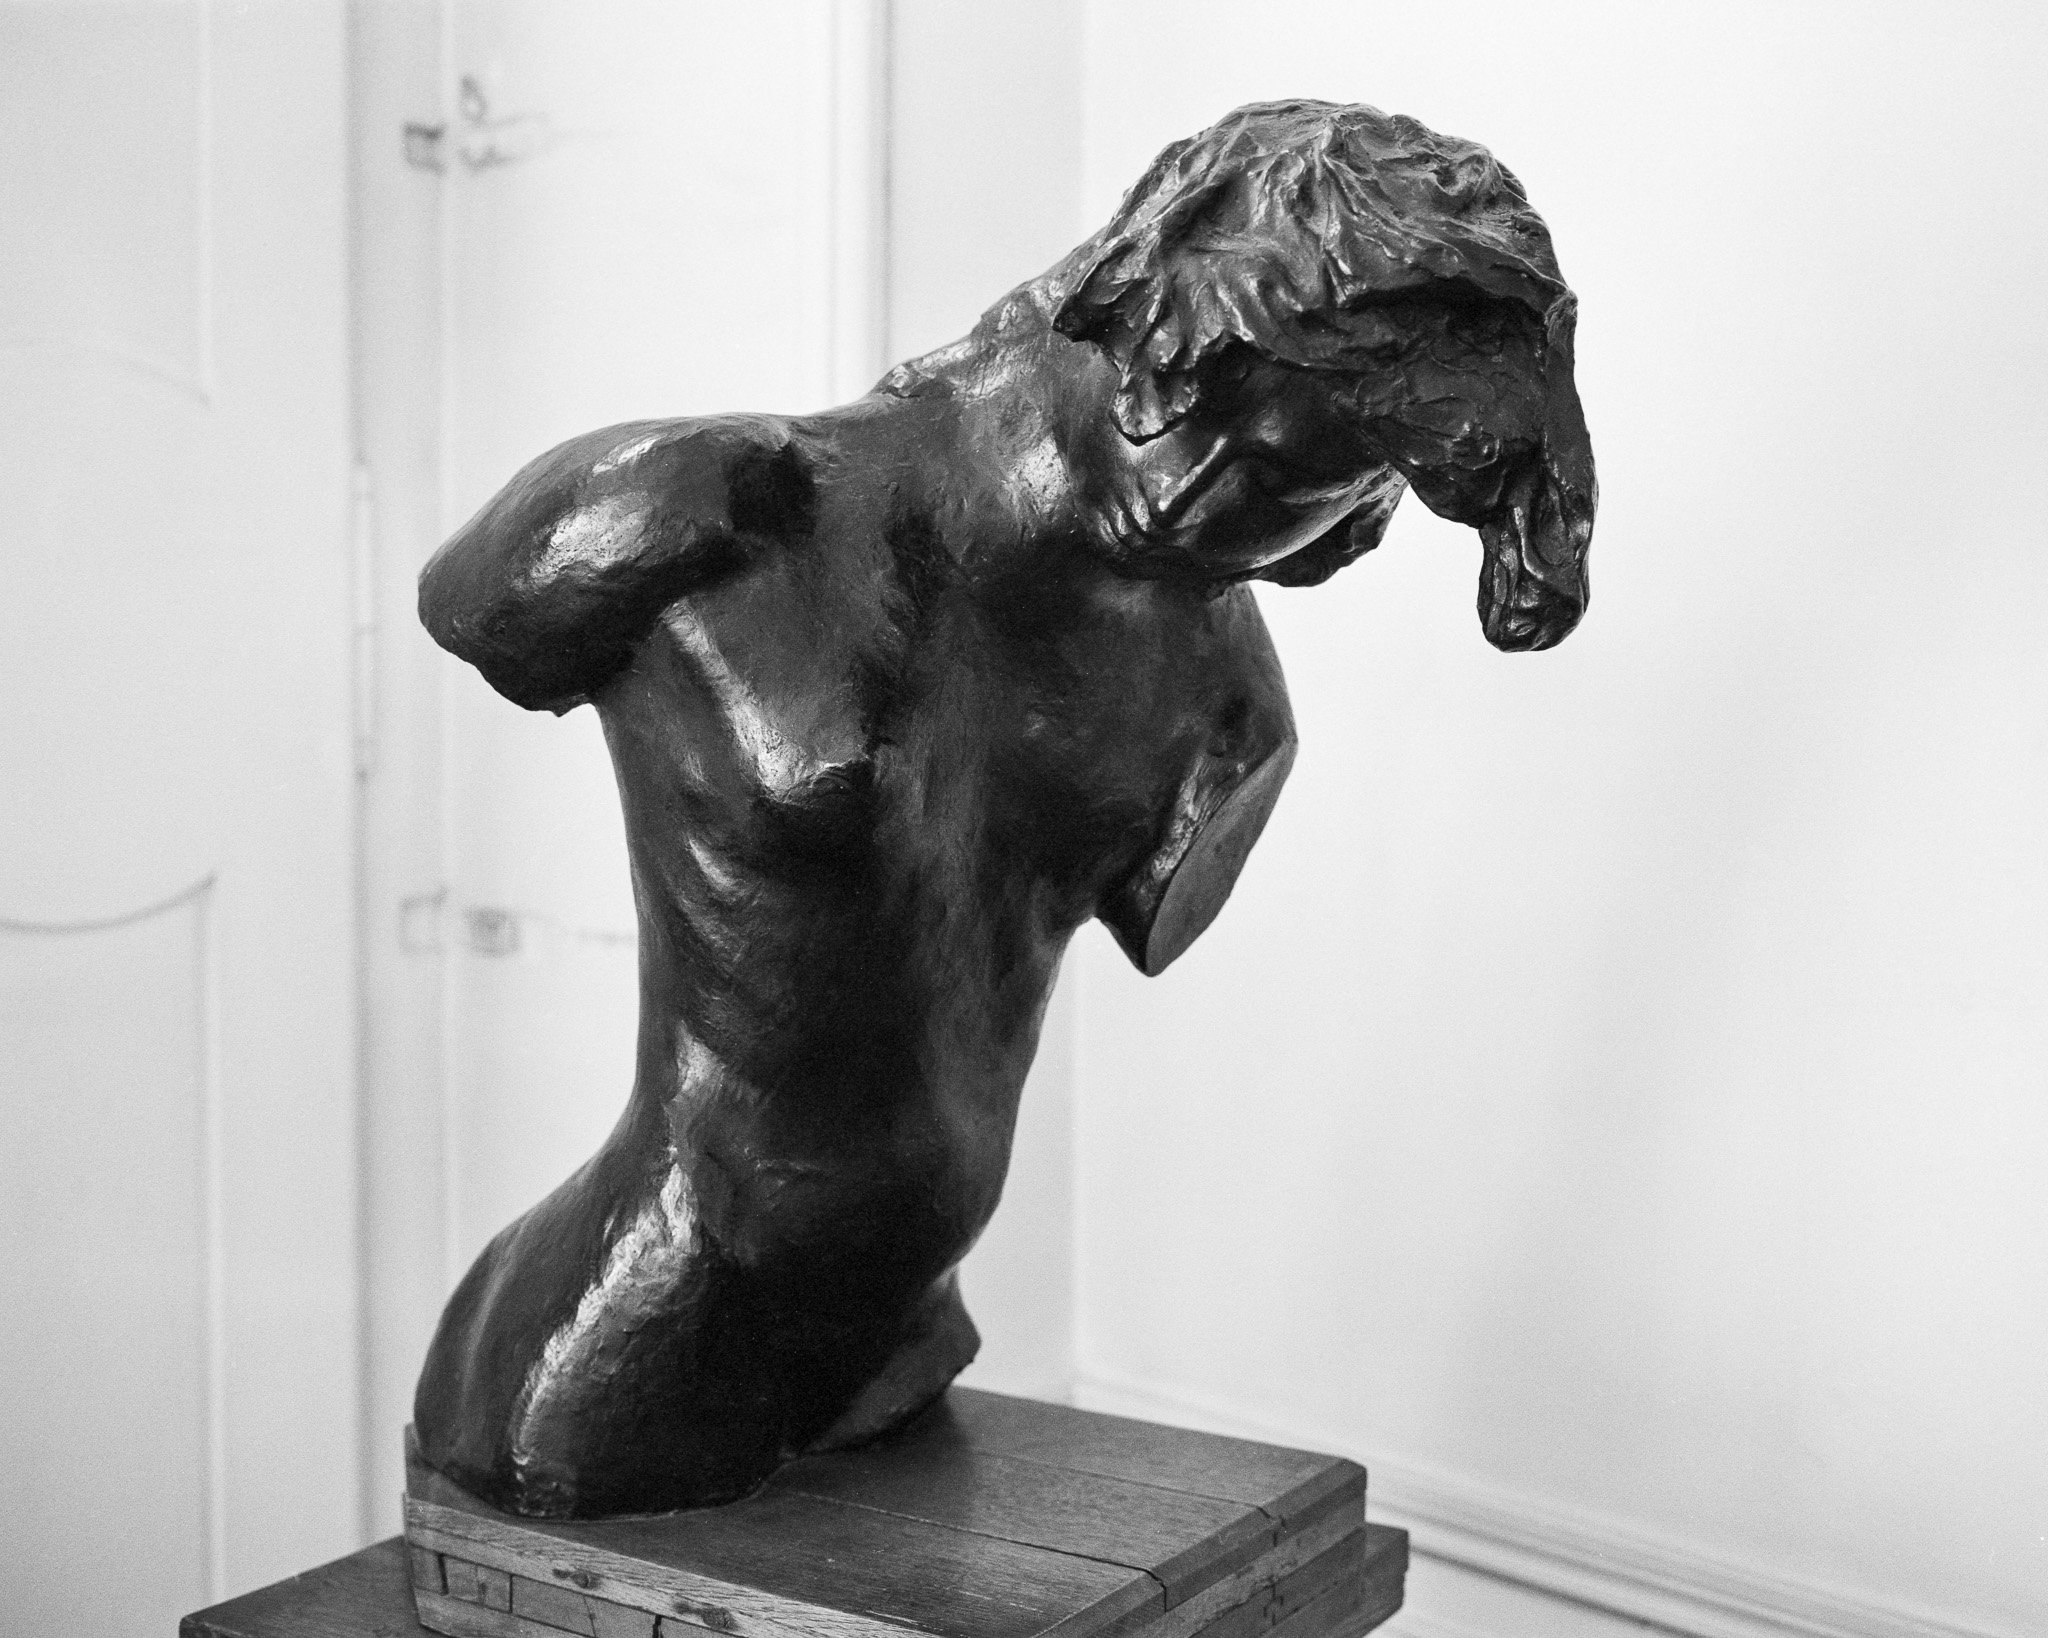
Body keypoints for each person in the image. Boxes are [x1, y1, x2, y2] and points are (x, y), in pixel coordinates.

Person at [412, 98, 1596, 1518]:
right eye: (1197, 408)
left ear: (1371, 506)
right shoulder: (711, 513)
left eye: (1284, 481)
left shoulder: (1226, 710)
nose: (1192, 488)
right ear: (1137, 310)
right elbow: (475, 607)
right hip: (648, 1308)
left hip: (904, 1335)